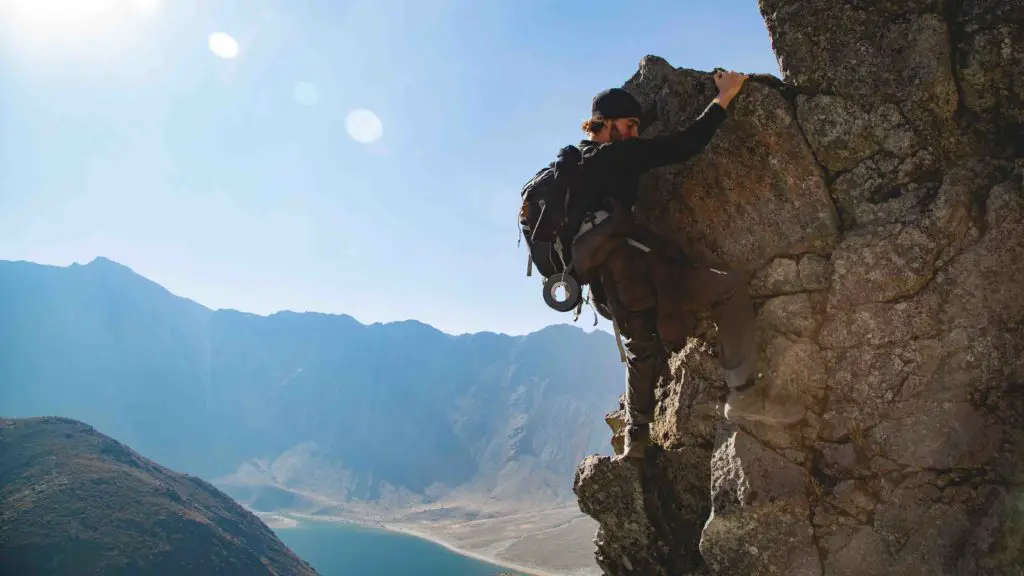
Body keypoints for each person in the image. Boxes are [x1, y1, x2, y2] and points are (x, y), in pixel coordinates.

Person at [567, 70, 805, 460]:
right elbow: (686, 144)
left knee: (641, 349)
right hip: (643, 277)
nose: (635, 134)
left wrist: (654, 109)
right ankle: (743, 394)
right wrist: (725, 96)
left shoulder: (575, 165)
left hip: (606, 291)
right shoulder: (622, 154)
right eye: (629, 126)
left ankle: (637, 437)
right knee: (727, 288)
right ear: (607, 124)